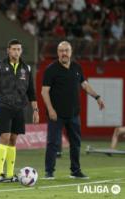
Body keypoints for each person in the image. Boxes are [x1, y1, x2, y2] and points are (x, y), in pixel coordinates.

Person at [41, 41, 105, 180]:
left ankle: (75, 171)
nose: (64, 53)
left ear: (71, 52)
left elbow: (85, 85)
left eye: (66, 50)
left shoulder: (77, 67)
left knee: (75, 143)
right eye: (61, 50)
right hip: (56, 114)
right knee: (53, 143)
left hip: (74, 114)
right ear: (57, 52)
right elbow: (44, 92)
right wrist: (50, 109)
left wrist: (97, 97)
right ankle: (49, 172)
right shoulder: (51, 69)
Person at [0, 39, 39, 183]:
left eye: (18, 49)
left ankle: (10, 174)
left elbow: (31, 91)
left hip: (19, 108)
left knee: (13, 140)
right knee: (5, 137)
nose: (16, 52)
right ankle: (0, 174)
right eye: (13, 49)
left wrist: (35, 110)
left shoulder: (26, 68)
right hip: (4, 106)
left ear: (21, 51)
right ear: (8, 50)